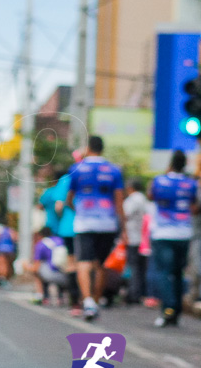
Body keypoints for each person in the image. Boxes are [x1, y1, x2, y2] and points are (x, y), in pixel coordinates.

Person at [66, 135, 126, 322]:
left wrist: (79, 210)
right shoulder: (114, 170)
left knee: (83, 262)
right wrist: (122, 226)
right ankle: (96, 301)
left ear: (88, 147)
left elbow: (69, 199)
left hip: (84, 223)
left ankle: (88, 301)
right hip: (107, 224)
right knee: (101, 264)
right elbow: (118, 202)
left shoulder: (76, 169)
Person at [148, 150, 199, 327]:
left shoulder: (159, 181)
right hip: (184, 233)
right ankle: (175, 312)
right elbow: (194, 207)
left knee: (164, 272)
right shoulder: (191, 184)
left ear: (170, 163)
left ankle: (168, 309)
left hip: (163, 234)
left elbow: (151, 196)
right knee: (178, 273)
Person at [39, 168, 80, 312]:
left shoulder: (59, 185)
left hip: (58, 230)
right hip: (83, 228)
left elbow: (54, 206)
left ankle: (51, 296)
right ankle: (79, 297)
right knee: (82, 263)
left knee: (60, 262)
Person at [122, 178, 149, 306]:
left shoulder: (132, 200)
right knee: (141, 267)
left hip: (132, 237)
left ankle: (133, 294)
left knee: (134, 267)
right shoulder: (144, 199)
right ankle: (140, 293)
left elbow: (124, 215)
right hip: (143, 239)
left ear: (130, 187)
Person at [28, 226, 68, 305]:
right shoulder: (60, 240)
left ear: (41, 235)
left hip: (51, 276)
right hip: (67, 276)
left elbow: (36, 267)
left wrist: (26, 266)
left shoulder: (41, 244)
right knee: (57, 267)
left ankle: (42, 295)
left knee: (40, 270)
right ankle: (60, 297)